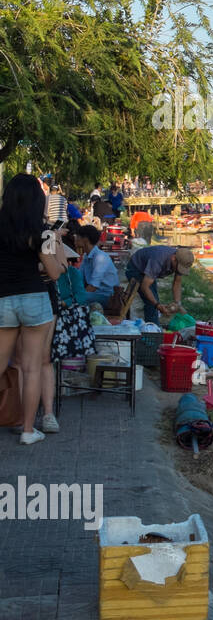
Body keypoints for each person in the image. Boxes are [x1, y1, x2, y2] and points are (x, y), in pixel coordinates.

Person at [0, 173, 67, 443]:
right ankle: (28, 431)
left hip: (3, 299)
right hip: (34, 300)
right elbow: (53, 273)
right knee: (31, 367)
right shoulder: (42, 232)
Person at [123, 245, 193, 325]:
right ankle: (152, 331)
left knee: (153, 298)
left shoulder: (180, 259)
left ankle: (153, 326)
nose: (179, 270)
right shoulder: (158, 260)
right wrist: (158, 305)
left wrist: (177, 303)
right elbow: (145, 287)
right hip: (136, 268)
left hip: (149, 269)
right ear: (173, 259)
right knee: (151, 303)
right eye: (179, 267)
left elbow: (177, 282)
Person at [74, 225, 118, 307]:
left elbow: (93, 287)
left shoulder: (100, 257)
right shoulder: (86, 256)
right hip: (96, 294)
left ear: (85, 239)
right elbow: (78, 279)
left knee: (74, 299)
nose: (75, 239)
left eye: (77, 236)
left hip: (107, 296)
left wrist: (78, 295)